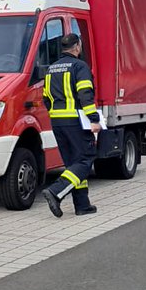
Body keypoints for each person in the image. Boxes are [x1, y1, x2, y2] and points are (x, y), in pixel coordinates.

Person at [40, 33, 100, 217]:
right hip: (75, 121)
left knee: (73, 164)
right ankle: (55, 191)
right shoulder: (79, 66)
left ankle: (82, 205)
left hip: (57, 122)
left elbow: (46, 98)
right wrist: (94, 119)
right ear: (77, 47)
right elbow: (84, 94)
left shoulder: (51, 69)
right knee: (85, 159)